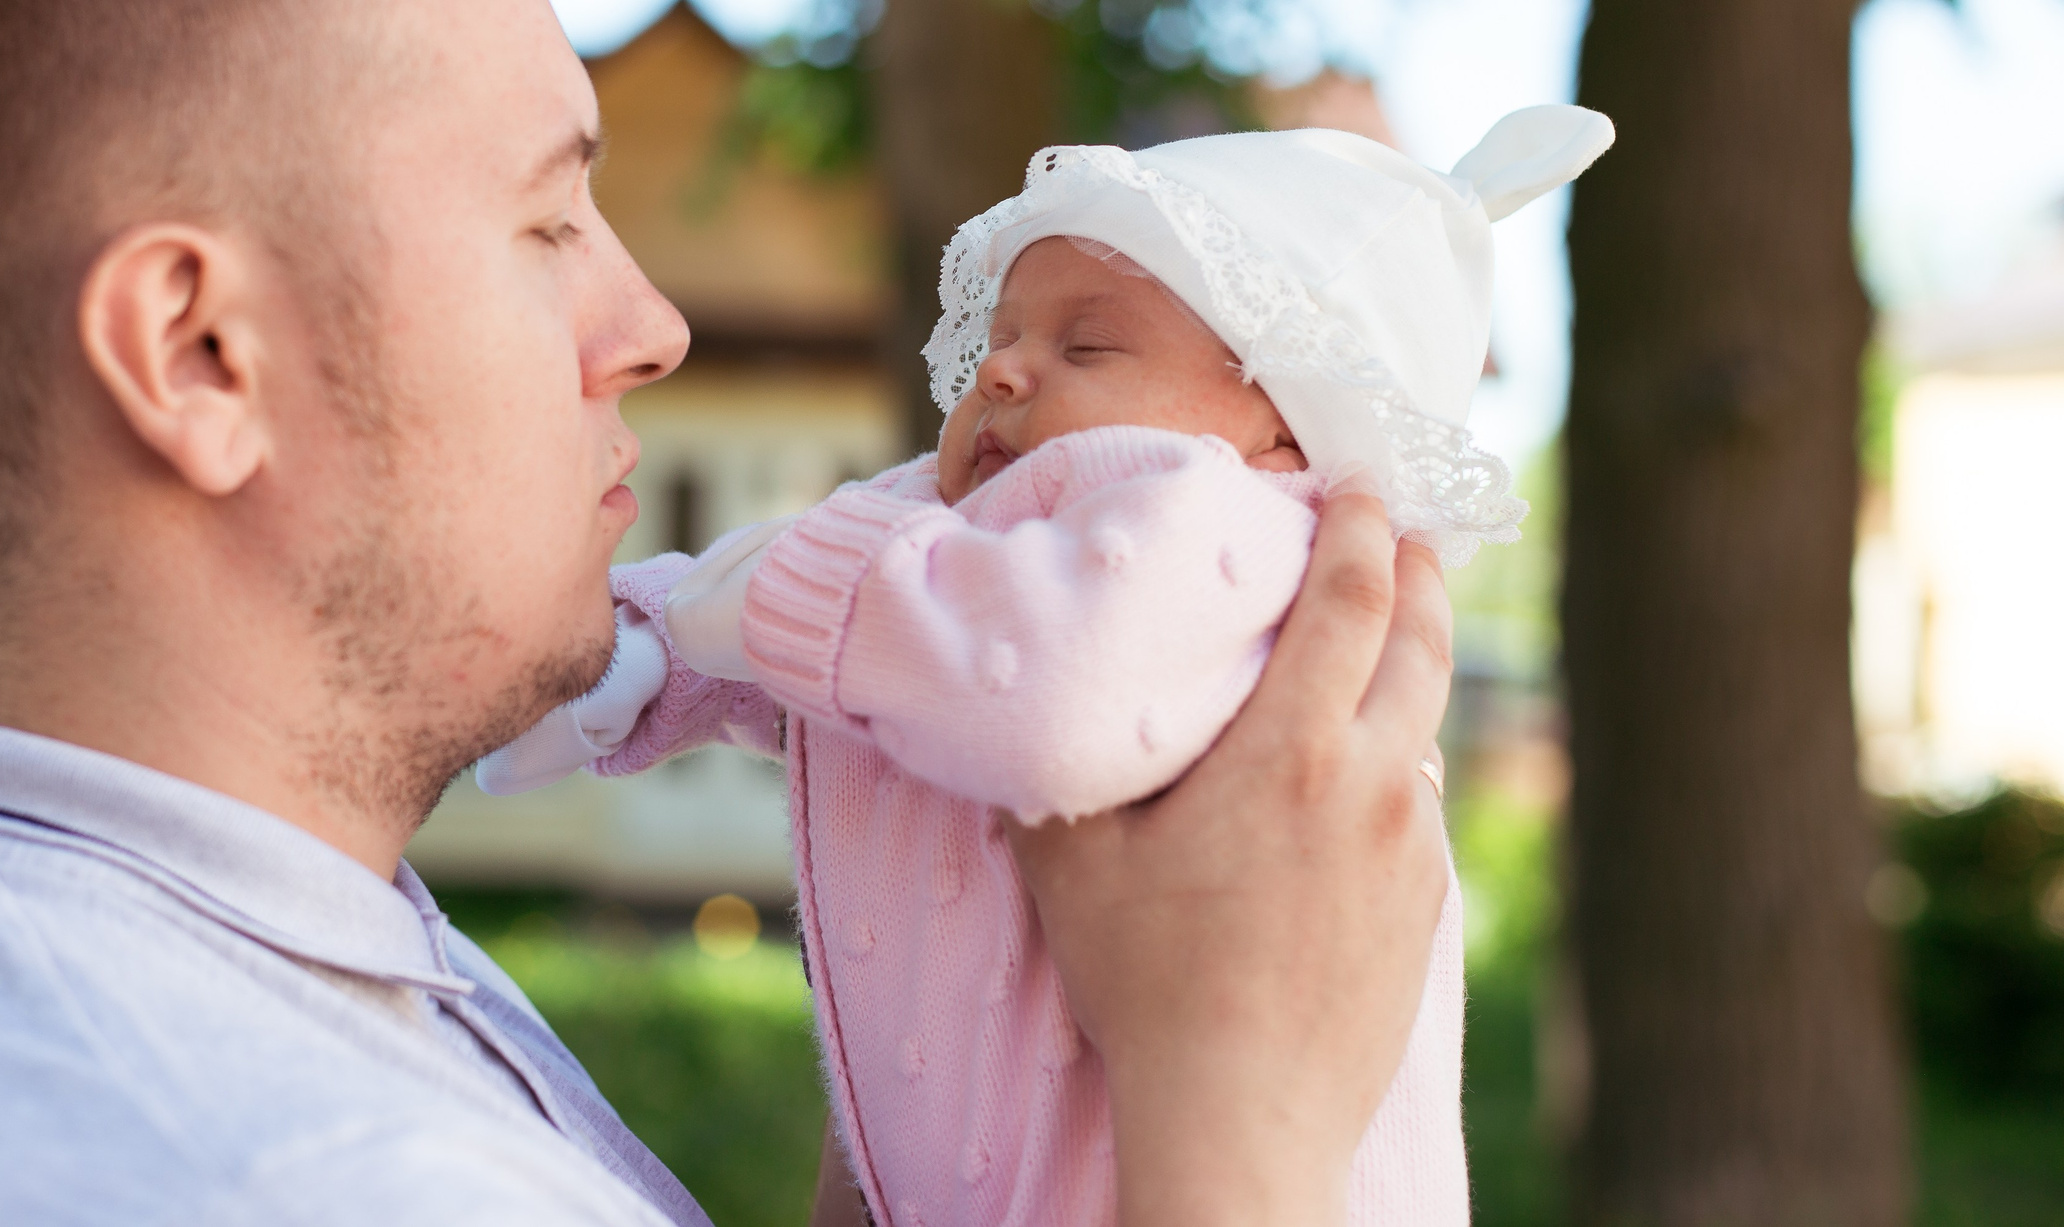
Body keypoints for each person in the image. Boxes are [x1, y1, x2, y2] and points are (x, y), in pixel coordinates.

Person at [0, 0, 1457, 1227]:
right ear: (199, 353)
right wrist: (1241, 1111)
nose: (652, 325)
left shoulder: (63, 917)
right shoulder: (303, 1171)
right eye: (548, 222)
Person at [482, 114, 1611, 1226]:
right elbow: (835, 655)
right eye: (999, 338)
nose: (1004, 370)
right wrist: (647, 661)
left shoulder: (1248, 532)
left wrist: (755, 606)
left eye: (1088, 347)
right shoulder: (980, 540)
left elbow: (1022, 672)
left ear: (1283, 431)